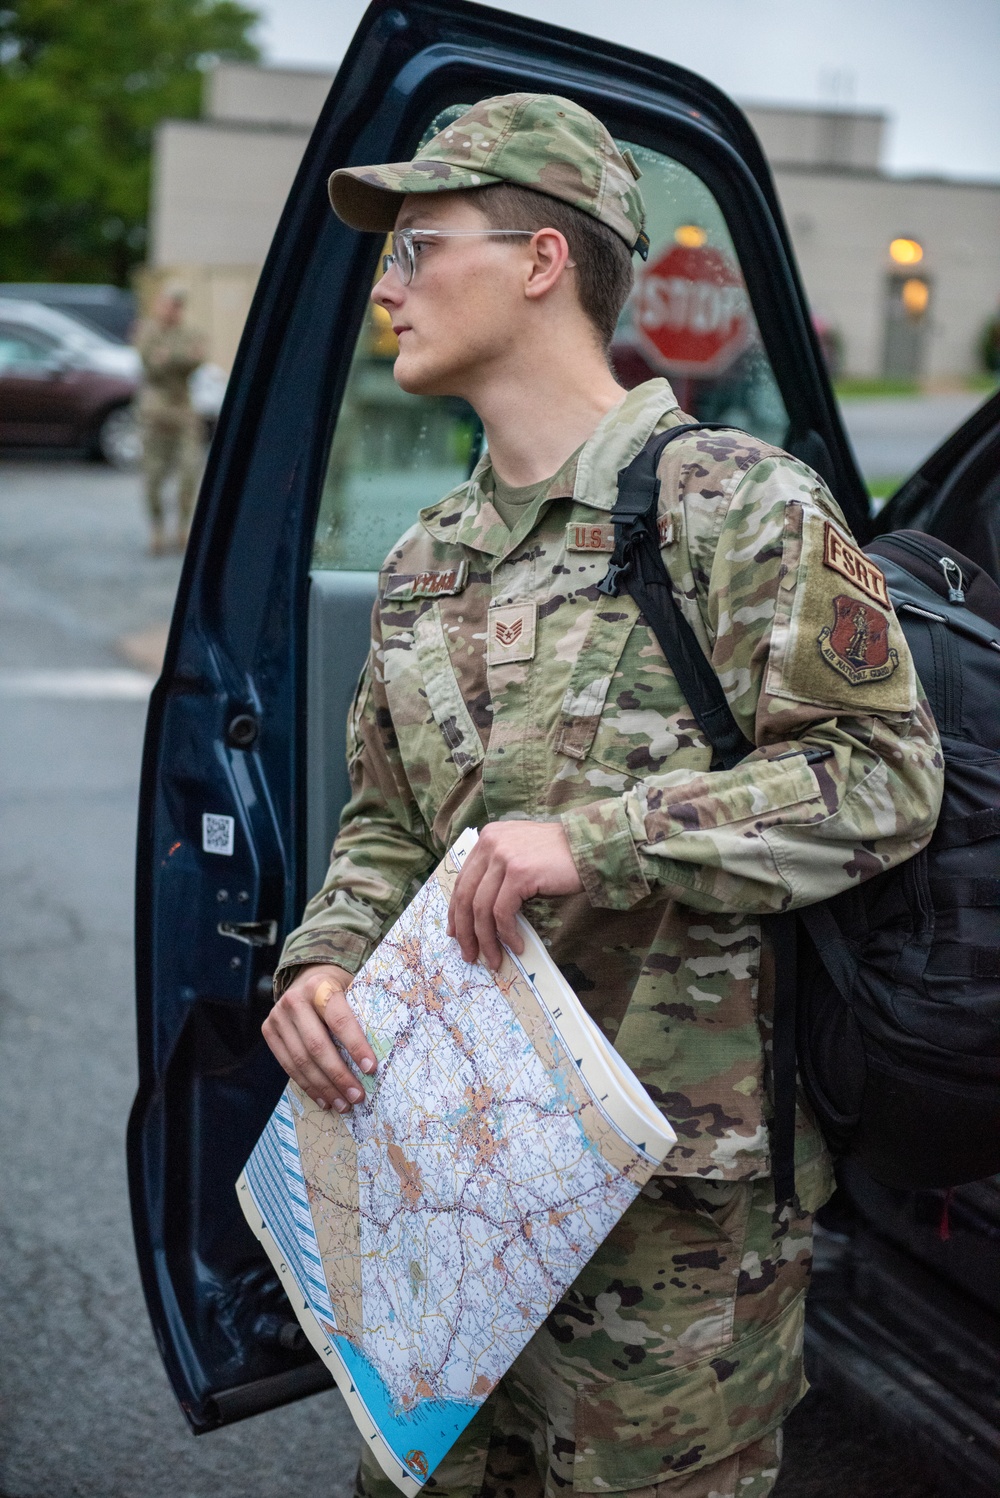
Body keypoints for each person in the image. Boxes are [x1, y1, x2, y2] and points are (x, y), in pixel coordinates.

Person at [262, 95, 943, 1498]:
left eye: (418, 245)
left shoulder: (736, 505)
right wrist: (325, 957)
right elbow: (390, 820)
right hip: (450, 1187)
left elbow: (884, 777)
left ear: (538, 260)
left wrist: (600, 840)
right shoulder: (426, 558)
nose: (386, 284)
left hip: (675, 1221)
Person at [135, 285, 205, 554]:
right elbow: (151, 363)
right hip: (155, 411)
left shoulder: (190, 331)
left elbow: (197, 359)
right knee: (153, 476)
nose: (174, 309)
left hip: (183, 407)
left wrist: (171, 357)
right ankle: (157, 528)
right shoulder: (147, 330)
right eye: (170, 303)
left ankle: (183, 528)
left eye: (179, 304)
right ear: (159, 304)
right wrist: (180, 358)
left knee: (189, 470)